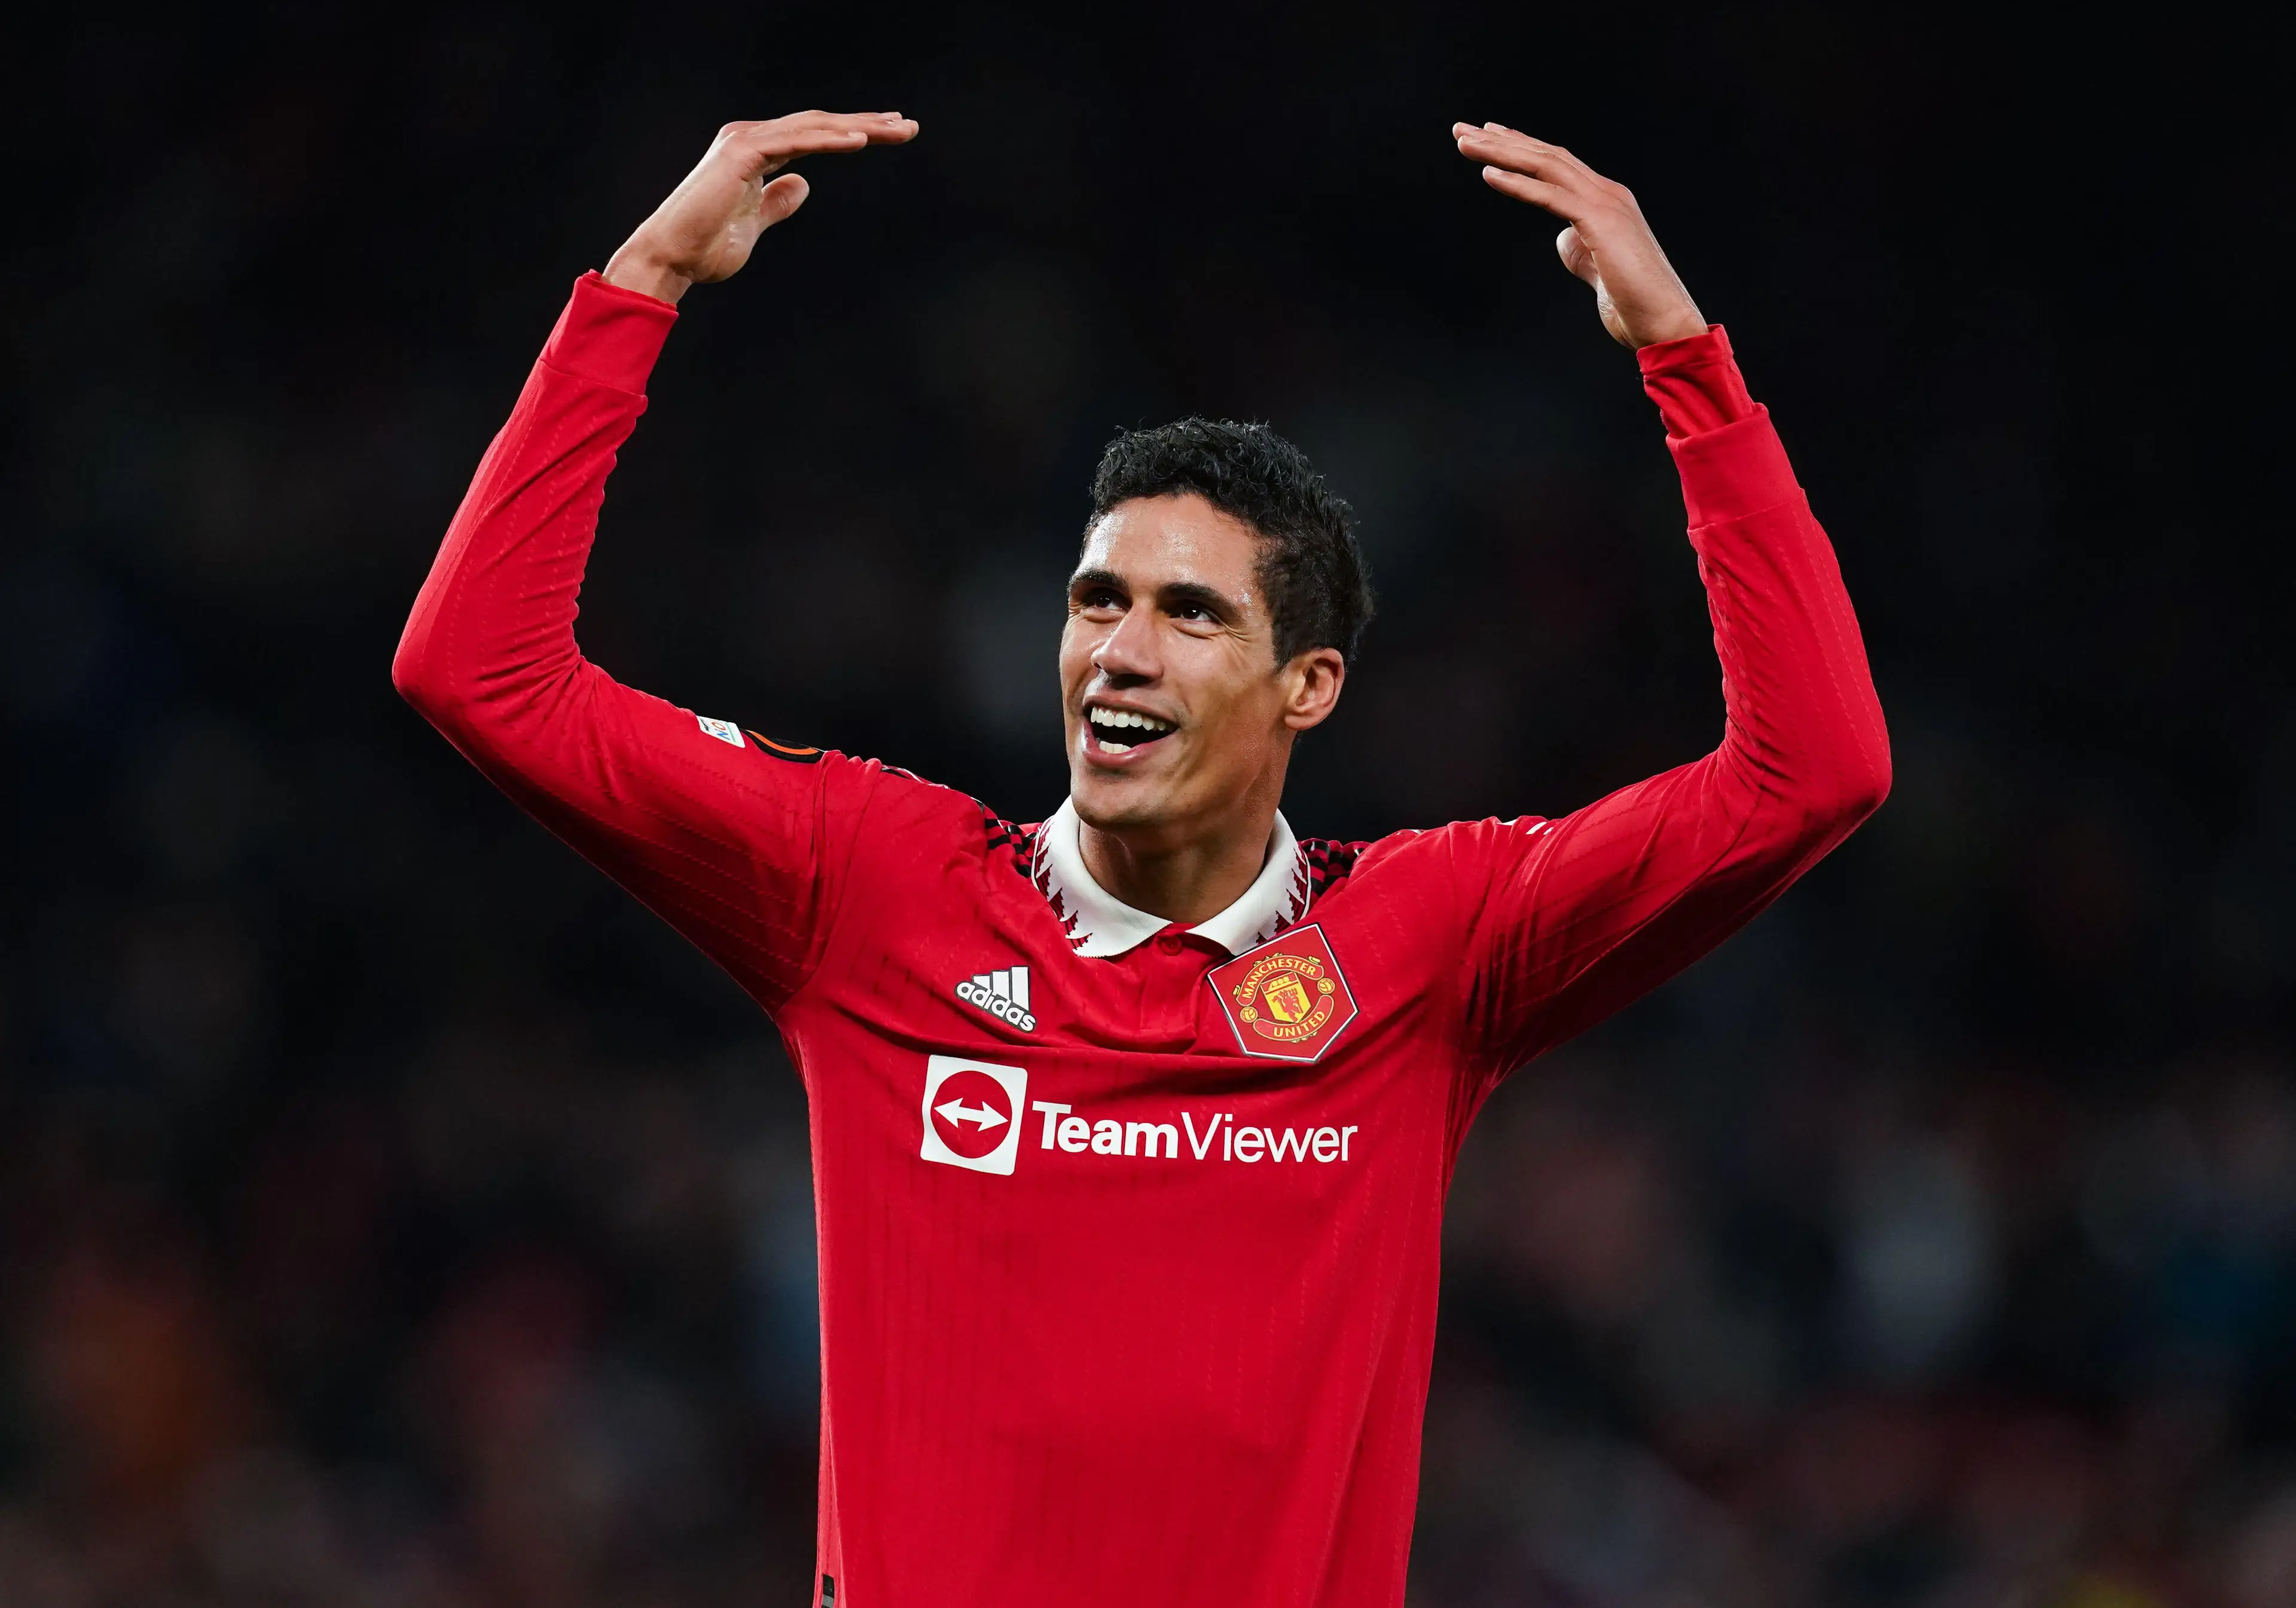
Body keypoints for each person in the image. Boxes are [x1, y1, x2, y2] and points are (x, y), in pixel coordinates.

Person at [394, 106, 1889, 1608]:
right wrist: (641, 286)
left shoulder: (1436, 945)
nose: (1120, 650)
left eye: (1192, 614)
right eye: (1097, 599)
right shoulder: (871, 885)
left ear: (1308, 685)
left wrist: (1687, 364)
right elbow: (481, 673)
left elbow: (1813, 770)